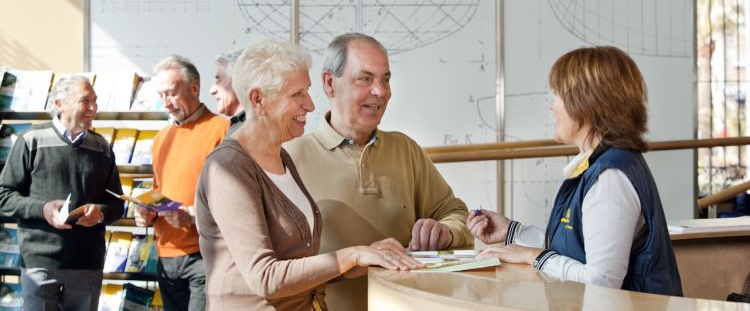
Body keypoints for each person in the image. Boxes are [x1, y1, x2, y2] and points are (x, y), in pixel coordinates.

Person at [195, 39, 422, 310]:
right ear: (258, 100)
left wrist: (364, 259)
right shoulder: (228, 168)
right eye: (297, 95)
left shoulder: (282, 157)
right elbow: (265, 277)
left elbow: (298, 264)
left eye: (308, 91)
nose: (311, 105)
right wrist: (351, 255)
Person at [467, 46, 682, 296]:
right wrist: (512, 232)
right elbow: (578, 247)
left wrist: (533, 256)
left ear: (586, 103)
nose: (551, 105)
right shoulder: (601, 163)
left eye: (558, 94)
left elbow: (601, 281)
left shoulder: (610, 178)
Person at [283, 33, 472, 309]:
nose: (380, 91)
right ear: (329, 83)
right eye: (365, 79)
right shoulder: (289, 158)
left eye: (385, 79)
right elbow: (277, 268)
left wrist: (446, 231)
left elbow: (456, 213)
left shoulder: (405, 149)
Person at [0, 75, 125, 310]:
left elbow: (117, 204)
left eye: (95, 101)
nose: (93, 108)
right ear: (59, 103)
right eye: (85, 101)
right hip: (40, 263)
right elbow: (3, 196)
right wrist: (42, 209)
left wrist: (100, 213)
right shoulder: (30, 141)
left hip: (87, 263)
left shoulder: (102, 147)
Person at [134, 55, 229, 311]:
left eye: (172, 94)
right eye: (161, 95)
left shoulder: (222, 129)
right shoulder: (161, 138)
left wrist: (192, 216)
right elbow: (159, 190)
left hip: (204, 254)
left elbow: (232, 199)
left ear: (195, 87)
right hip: (165, 256)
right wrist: (147, 213)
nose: (166, 103)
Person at [209, 49, 245, 134]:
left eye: (219, 79)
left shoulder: (249, 132)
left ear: (239, 80)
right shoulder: (236, 128)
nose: (212, 91)